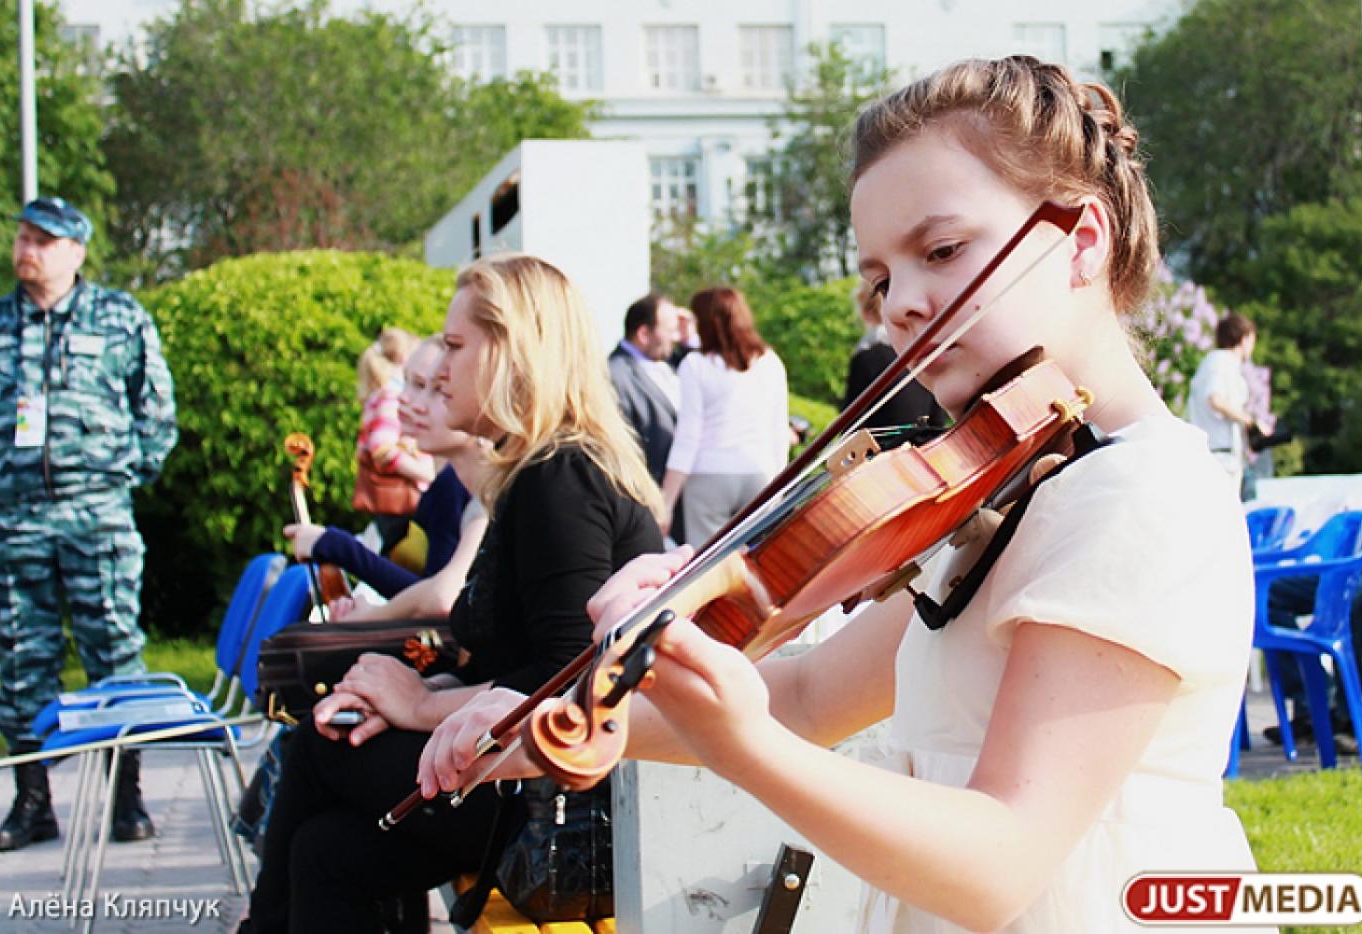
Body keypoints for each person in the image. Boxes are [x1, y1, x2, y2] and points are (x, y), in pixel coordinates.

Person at [419, 57, 1266, 933]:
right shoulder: (1023, 486)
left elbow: (1002, 863)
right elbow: (814, 694)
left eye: (941, 251)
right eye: (881, 278)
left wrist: (745, 749)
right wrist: (550, 724)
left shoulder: (1137, 494)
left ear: (1083, 240)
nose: (898, 305)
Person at [239, 254, 664, 933]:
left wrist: (415, 705)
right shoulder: (544, 469)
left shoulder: (560, 479)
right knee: (326, 853)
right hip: (518, 779)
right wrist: (412, 697)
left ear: (511, 353)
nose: (443, 367)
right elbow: (512, 654)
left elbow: (572, 676)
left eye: (458, 347)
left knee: (319, 742)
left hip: (547, 796)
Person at [0, 197, 177, 850]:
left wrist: (119, 478)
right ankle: (32, 802)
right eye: (22, 236)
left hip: (98, 520)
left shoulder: (121, 318)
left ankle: (128, 799)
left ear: (76, 251)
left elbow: (157, 412)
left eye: (44, 239)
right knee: (20, 662)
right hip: (13, 522)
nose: (27, 249)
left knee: (114, 656)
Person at [284, 336, 487, 612]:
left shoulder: (460, 488)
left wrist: (338, 546)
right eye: (407, 383)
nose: (404, 399)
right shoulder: (447, 483)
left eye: (436, 389)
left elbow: (438, 601)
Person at [662, 287, 791, 548]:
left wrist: (666, 501)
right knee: (757, 566)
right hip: (759, 472)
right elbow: (778, 431)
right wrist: (778, 484)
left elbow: (688, 436)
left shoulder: (695, 365)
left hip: (709, 476)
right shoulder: (770, 361)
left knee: (709, 570)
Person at [355, 327, 433, 554]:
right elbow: (382, 449)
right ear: (403, 359)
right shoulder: (390, 396)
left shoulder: (377, 396)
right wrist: (425, 473)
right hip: (399, 504)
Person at [842, 277, 947, 433]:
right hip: (924, 450)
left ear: (864, 313)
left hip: (881, 455)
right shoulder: (922, 352)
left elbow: (850, 428)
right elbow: (938, 420)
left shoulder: (865, 358)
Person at [1186, 313, 1270, 498]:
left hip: (1224, 455)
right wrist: (1251, 421)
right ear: (1245, 338)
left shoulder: (1220, 363)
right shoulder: (1220, 361)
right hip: (1219, 455)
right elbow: (1215, 399)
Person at [607, 292, 684, 485]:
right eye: (670, 330)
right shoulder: (614, 374)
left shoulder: (670, 365)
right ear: (643, 334)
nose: (676, 337)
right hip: (646, 489)